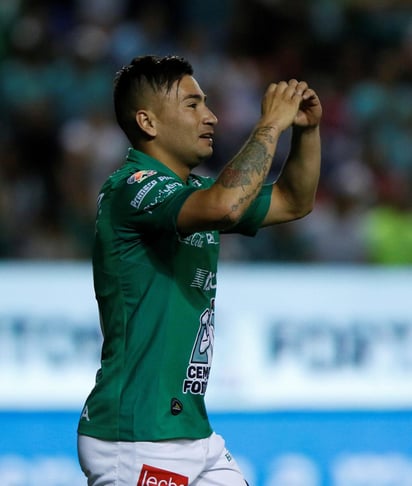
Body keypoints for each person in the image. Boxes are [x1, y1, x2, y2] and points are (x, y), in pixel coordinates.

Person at [77, 54, 322, 486]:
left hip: (191, 431)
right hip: (138, 435)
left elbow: (292, 200)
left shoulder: (192, 193)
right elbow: (227, 206)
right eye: (192, 105)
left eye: (206, 103)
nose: (209, 116)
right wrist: (269, 126)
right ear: (148, 122)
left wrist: (306, 132)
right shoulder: (132, 189)